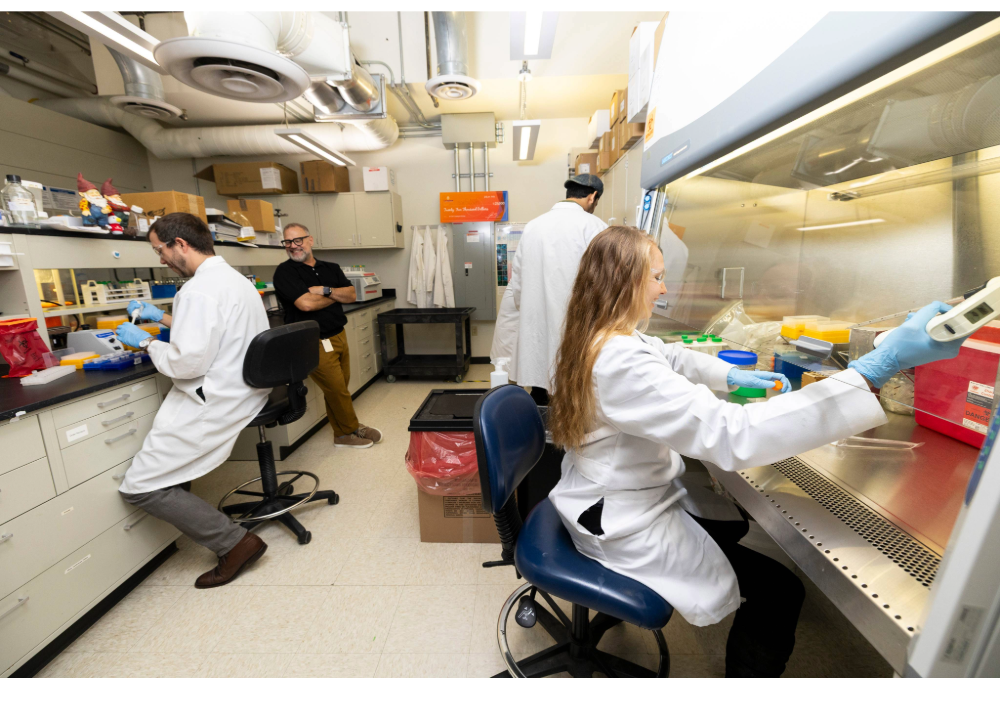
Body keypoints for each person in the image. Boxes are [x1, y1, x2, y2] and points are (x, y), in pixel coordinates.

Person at [547, 226, 965, 709]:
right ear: (623, 283)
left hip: (618, 496)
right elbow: (733, 435)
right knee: (780, 590)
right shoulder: (618, 360)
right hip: (623, 520)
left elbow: (670, 355)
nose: (664, 288)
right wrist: (875, 367)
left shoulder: (604, 336)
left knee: (732, 525)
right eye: (657, 277)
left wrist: (730, 373)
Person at [114, 213, 271, 588]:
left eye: (160, 251)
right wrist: (168, 319)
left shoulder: (198, 290)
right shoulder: (233, 280)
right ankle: (195, 516)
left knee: (141, 485)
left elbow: (186, 364)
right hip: (245, 388)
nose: (161, 260)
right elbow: (216, 328)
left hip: (215, 398)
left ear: (180, 244)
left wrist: (148, 342)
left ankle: (235, 542)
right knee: (163, 471)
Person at [495, 173, 607, 404]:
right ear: (592, 197)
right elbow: (604, 284)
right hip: (577, 331)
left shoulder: (534, 226)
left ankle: (538, 437)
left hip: (536, 330)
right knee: (572, 395)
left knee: (540, 392)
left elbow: (517, 285)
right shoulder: (596, 227)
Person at [273, 223, 382, 449]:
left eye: (298, 240)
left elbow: (352, 295)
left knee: (340, 386)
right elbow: (305, 304)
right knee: (337, 389)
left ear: (310, 240)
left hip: (338, 336)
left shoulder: (330, 267)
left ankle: (342, 432)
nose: (293, 246)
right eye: (287, 242)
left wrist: (324, 290)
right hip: (313, 342)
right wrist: (336, 294)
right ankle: (350, 430)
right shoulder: (285, 272)